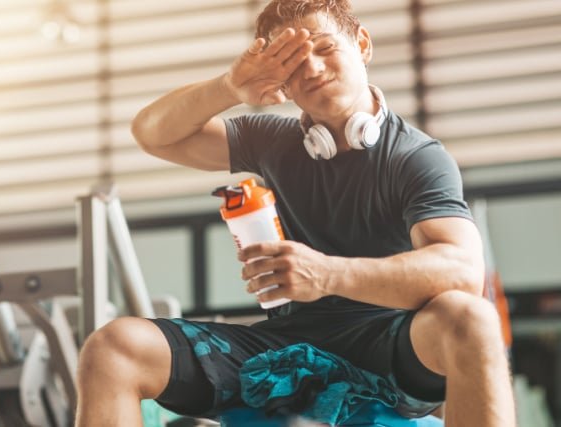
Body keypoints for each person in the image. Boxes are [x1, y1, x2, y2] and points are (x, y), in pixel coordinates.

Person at [76, 1, 515, 425]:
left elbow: (462, 272)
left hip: (391, 351)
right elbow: (153, 134)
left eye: (325, 49)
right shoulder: (271, 140)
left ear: (362, 44)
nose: (314, 70)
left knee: (471, 319)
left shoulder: (416, 157)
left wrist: (326, 275)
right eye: (294, 64)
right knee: (113, 347)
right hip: (283, 350)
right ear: (282, 83)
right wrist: (229, 87)